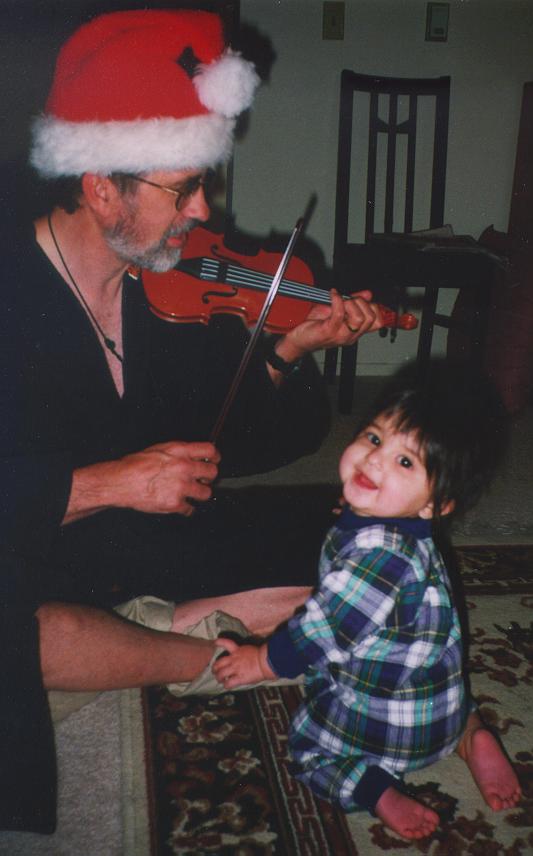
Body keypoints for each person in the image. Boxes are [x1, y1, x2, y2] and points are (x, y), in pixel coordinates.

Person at [1, 9, 383, 833]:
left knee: (357, 547)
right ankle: (202, 650)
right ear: (103, 188)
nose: (203, 209)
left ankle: (143, 626)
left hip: (122, 548)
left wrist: (285, 351)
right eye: (182, 189)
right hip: (28, 545)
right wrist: (110, 481)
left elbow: (236, 450)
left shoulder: (163, 287)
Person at [213, 362, 522, 840]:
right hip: (440, 706)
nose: (374, 461)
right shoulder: (404, 528)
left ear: (435, 504)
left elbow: (322, 632)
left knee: (307, 753)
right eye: (376, 439)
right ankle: (470, 732)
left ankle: (374, 787)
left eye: (405, 462)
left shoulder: (378, 559)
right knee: (437, 675)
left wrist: (262, 661)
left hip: (389, 729)